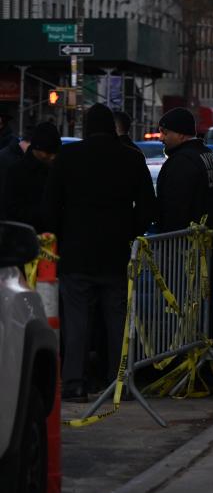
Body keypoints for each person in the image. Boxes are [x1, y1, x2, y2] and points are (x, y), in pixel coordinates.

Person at [44, 104, 156, 402]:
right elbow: (147, 206)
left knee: (77, 322)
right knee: (117, 318)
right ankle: (118, 380)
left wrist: (61, 236)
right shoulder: (131, 158)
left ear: (85, 127)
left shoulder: (68, 157)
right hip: (116, 252)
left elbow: (51, 206)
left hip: (76, 252)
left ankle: (74, 383)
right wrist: (130, 231)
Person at [157, 107, 213, 280]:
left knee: (181, 302)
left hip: (185, 250)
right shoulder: (211, 157)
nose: (161, 138)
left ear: (181, 134)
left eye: (165, 133)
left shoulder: (181, 162)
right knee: (203, 301)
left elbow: (174, 208)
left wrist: (167, 242)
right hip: (210, 244)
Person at [0, 122, 60, 229]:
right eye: (48, 152)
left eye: (55, 152)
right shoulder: (16, 171)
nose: (52, 156)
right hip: (25, 235)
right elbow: (10, 209)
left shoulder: (56, 169)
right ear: (36, 148)